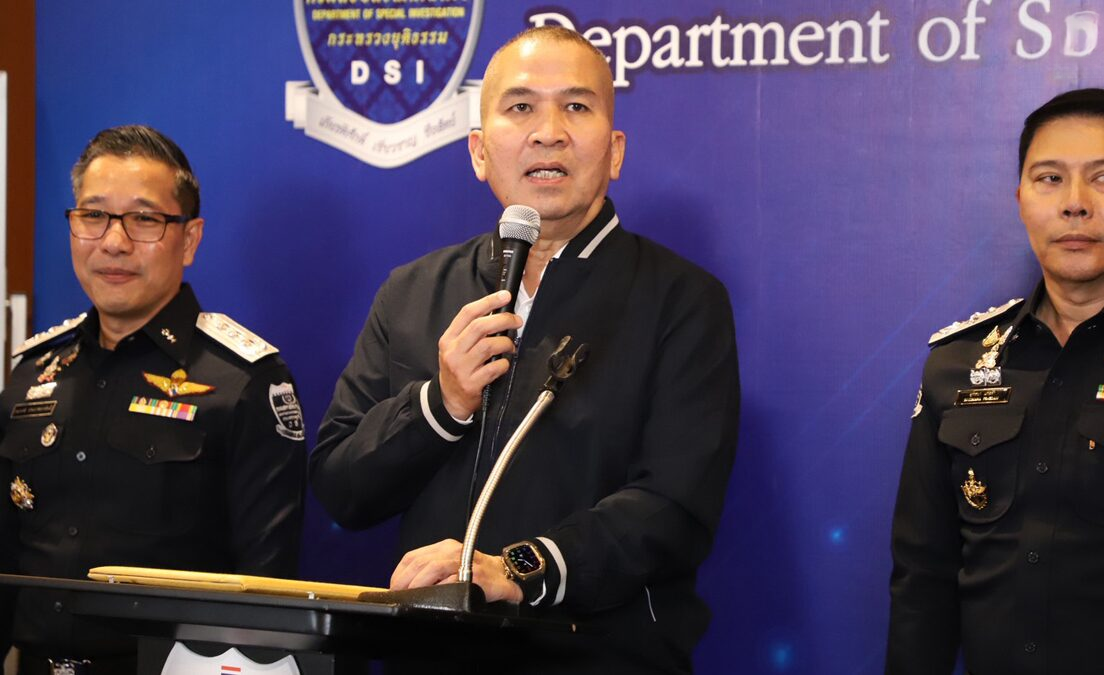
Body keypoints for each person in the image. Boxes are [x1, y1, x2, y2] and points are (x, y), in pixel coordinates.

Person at [310, 26, 740, 674]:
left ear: (614, 151)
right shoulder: (413, 291)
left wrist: (517, 568)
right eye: (520, 107)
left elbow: (675, 508)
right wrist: (440, 405)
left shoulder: (682, 300)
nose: (548, 132)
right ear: (479, 152)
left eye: (576, 106)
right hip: (431, 657)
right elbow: (342, 487)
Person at [887, 88, 1104, 674]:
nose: (1075, 204)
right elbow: (922, 577)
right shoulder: (958, 364)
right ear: (1021, 200)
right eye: (1050, 179)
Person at [0, 125, 308, 674]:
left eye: (144, 219)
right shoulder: (31, 374)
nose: (113, 242)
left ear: (189, 239)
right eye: (94, 215)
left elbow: (265, 593)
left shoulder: (244, 381)